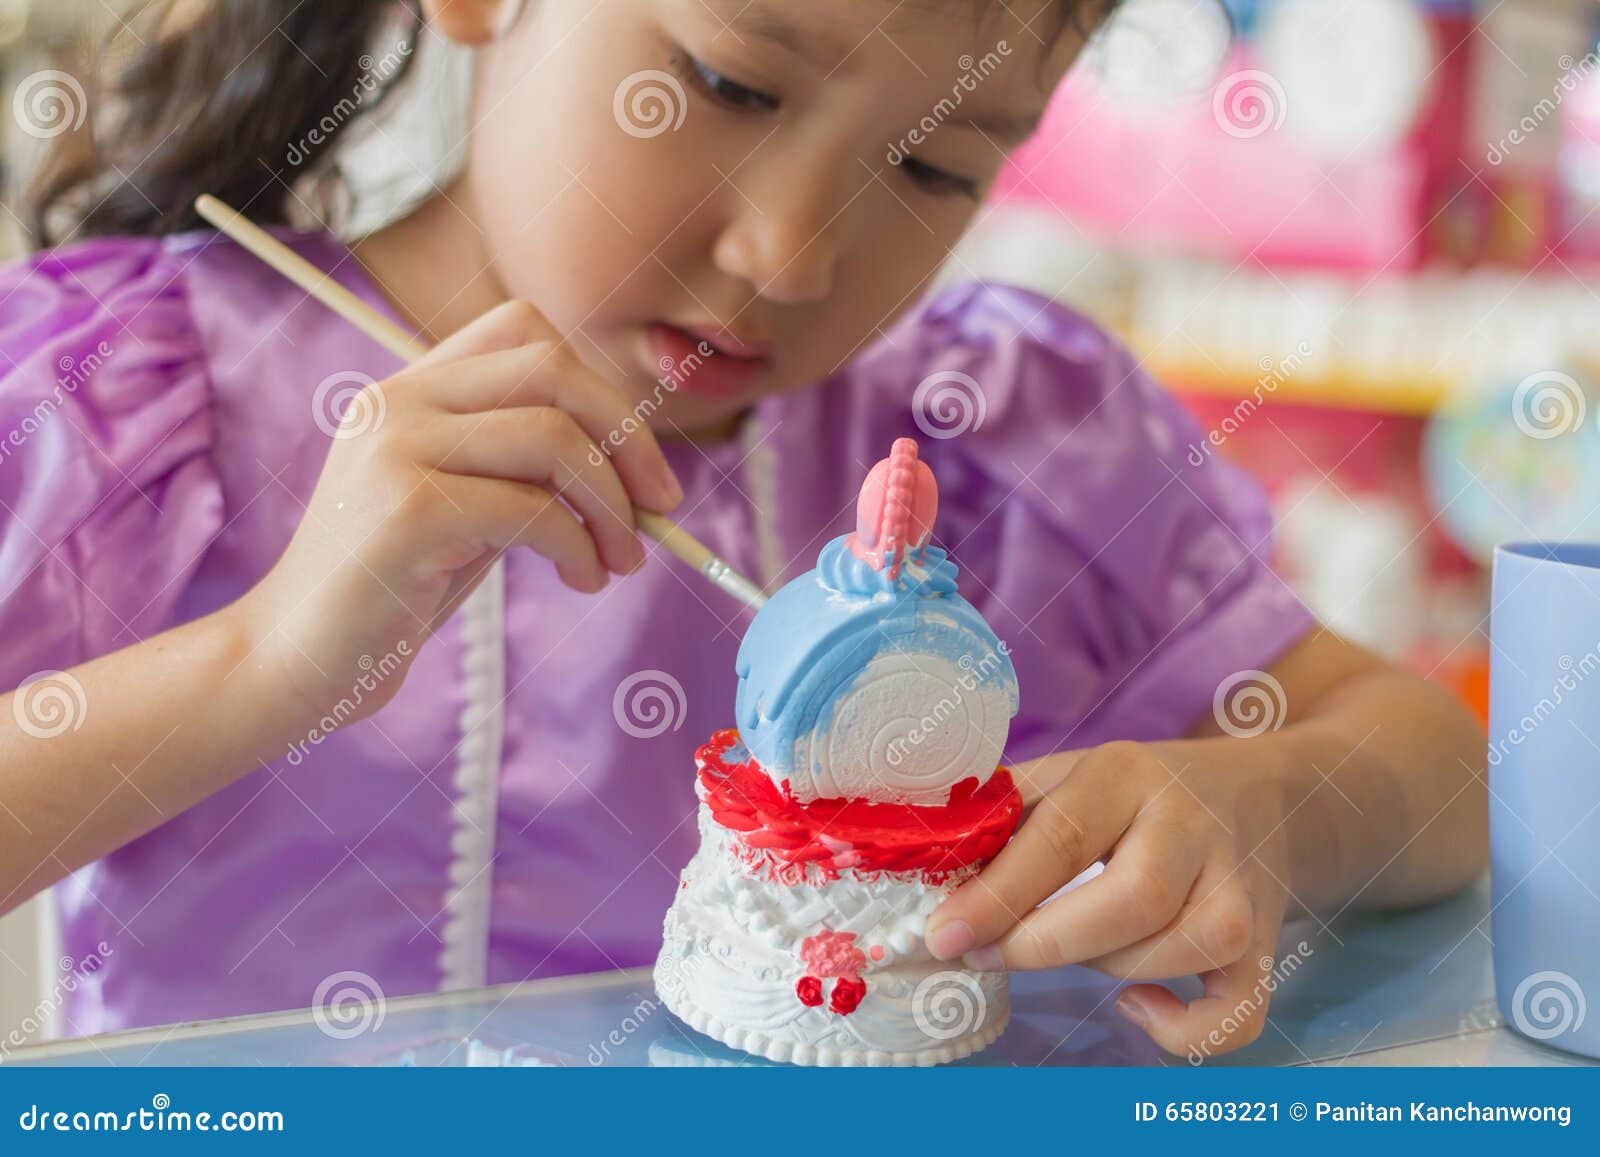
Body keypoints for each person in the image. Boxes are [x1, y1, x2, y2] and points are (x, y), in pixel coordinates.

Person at [0, 0, 1484, 1056]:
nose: (788, 250)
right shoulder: (131, 399)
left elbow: (1441, 769)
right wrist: (265, 658)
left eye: (933, 166)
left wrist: (1270, 804)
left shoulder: (1004, 440)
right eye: (730, 83)